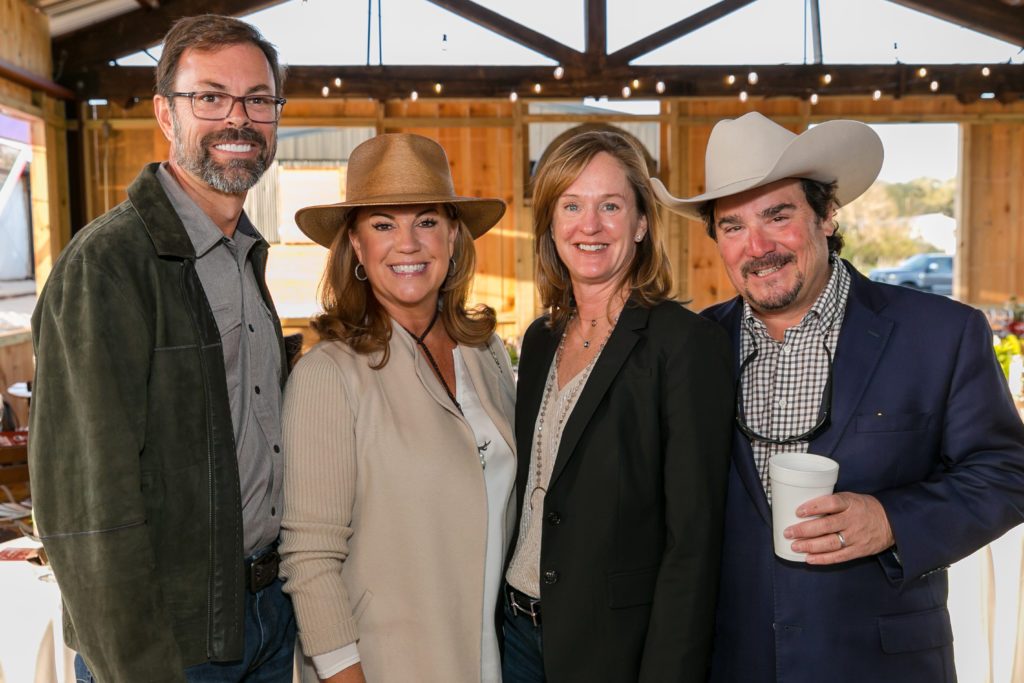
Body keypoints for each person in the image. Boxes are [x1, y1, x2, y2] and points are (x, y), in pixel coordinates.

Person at [652, 111, 1024, 682]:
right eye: (732, 226)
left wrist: (892, 520)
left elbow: (1006, 472)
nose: (758, 246)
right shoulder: (692, 345)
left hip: (881, 664)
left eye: (778, 215)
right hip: (732, 662)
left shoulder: (940, 333)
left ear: (827, 214)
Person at [28, 14, 295, 682]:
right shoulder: (108, 265)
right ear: (165, 114)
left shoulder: (245, 256)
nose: (238, 118)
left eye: (258, 99)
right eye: (209, 96)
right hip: (170, 643)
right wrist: (140, 664)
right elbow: (85, 505)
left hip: (263, 618)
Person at [279, 133, 515, 683]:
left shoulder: (487, 354)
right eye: (383, 224)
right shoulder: (328, 375)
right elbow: (309, 560)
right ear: (356, 246)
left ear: (454, 236)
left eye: (426, 221)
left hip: (494, 660)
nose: (407, 244)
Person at [501, 130, 734, 682]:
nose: (590, 225)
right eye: (572, 205)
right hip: (516, 632)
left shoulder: (684, 343)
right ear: (552, 224)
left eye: (611, 205)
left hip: (614, 648)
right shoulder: (539, 339)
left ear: (641, 223)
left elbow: (693, 544)